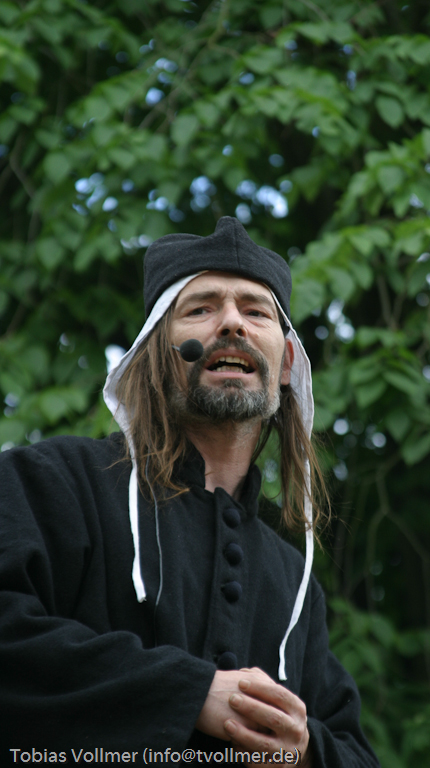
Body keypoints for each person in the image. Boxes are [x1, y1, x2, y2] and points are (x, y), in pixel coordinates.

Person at [0, 217, 380, 767]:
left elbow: (354, 753)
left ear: (287, 364)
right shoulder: (51, 481)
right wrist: (190, 692)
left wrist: (301, 749)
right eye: (200, 308)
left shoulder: (294, 581)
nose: (232, 323)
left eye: (256, 312)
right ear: (156, 351)